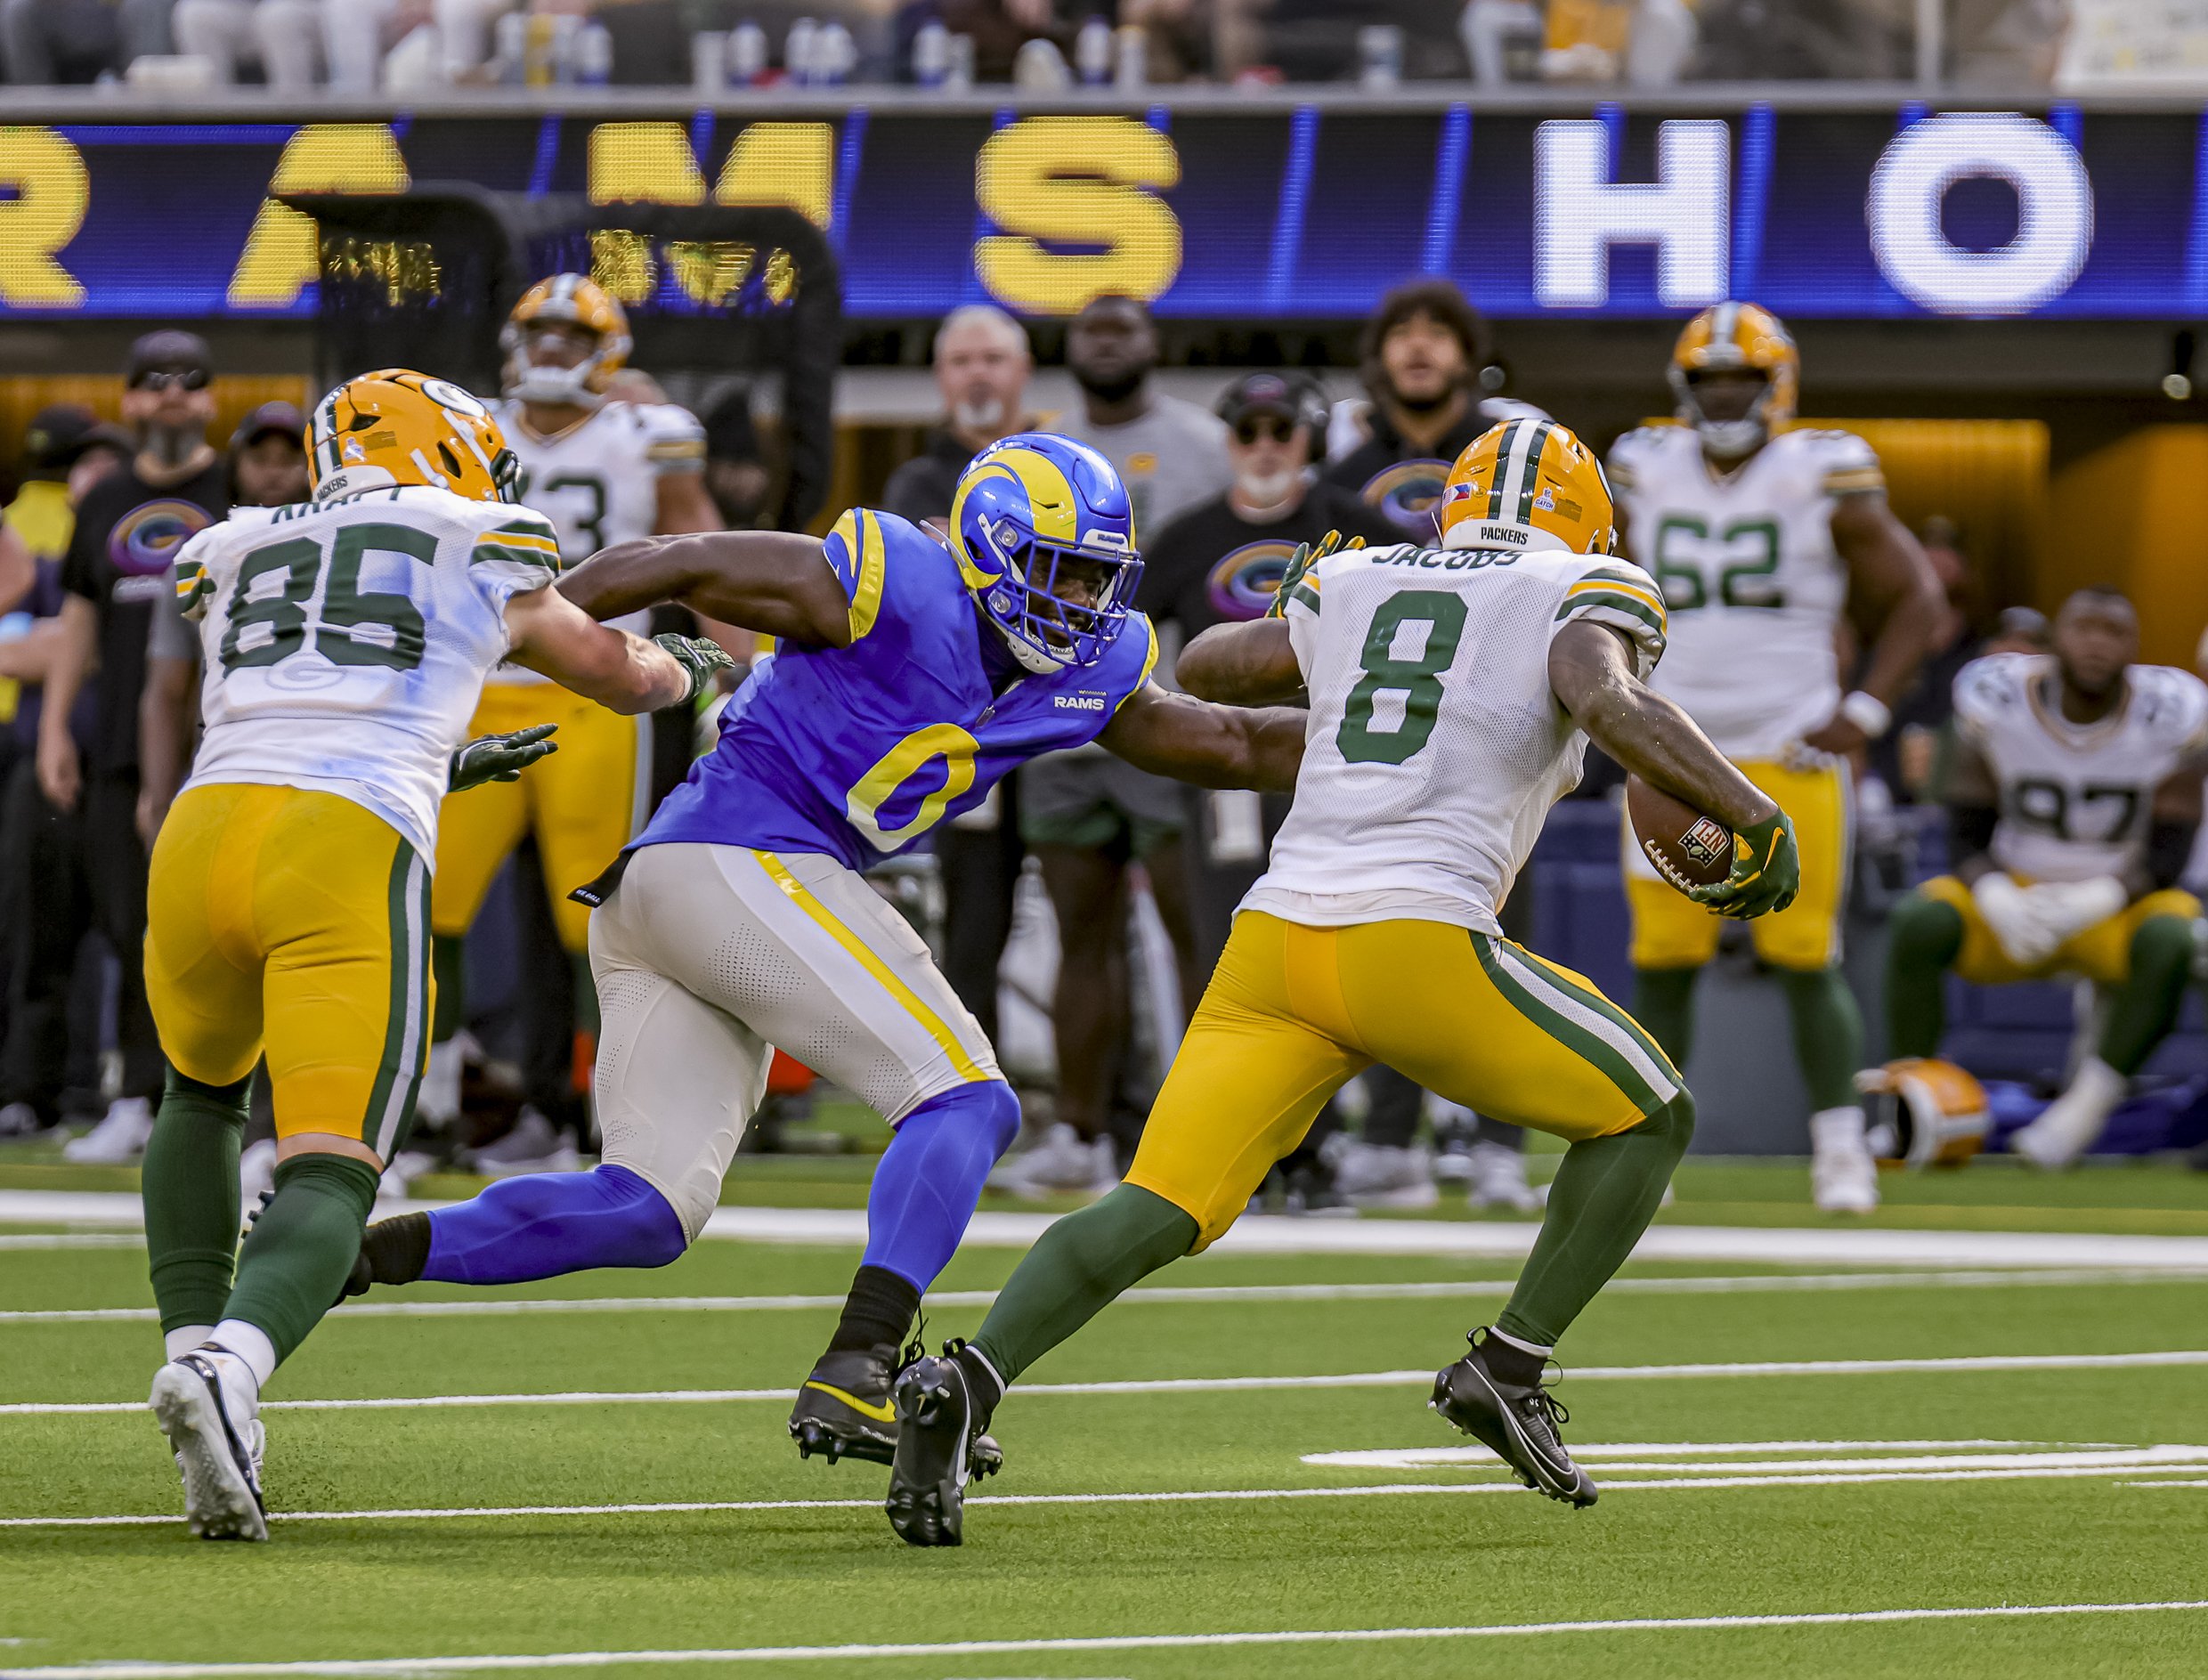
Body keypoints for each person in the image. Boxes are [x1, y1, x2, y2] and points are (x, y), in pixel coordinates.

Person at [881, 419, 1800, 1546]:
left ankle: (965, 1380)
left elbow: (1210, 670)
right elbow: (1597, 693)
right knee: (1649, 1114)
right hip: (1412, 941)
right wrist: (1753, 811)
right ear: (1591, 525)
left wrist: (1310, 614)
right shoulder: (1581, 582)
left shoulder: (1362, 573)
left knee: (1156, 1202)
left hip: (1273, 945)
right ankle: (1508, 1367)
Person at [345, 434, 1306, 1481]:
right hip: (739, 855)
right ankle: (859, 1363)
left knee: (645, 1211)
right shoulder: (894, 581)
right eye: (1057, 570)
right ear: (988, 548)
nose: (1079, 601)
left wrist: (1381, 731)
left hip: (684, 894)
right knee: (965, 1100)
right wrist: (505, 643)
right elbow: (674, 558)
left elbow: (1231, 742)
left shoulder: (1085, 668)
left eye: (1094, 577)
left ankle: (344, 1252)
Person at [138, 369, 726, 1541]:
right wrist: (687, 667)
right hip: (340, 841)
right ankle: (231, 1368)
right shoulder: (476, 530)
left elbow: (298, 697)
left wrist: (440, 761)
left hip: (202, 833)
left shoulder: (230, 542)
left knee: (198, 1098)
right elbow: (609, 672)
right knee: (331, 1167)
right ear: (446, 447)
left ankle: (195, 1350)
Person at [1607, 302, 1941, 1214]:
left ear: (1777, 385)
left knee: (1804, 955)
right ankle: (1645, 1148)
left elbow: (1918, 598)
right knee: (1661, 960)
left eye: (1740, 379)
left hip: (1787, 744)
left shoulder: (1820, 467)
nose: (1723, 396)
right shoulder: (1642, 462)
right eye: (1707, 380)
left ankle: (1839, 1149)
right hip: (1667, 745)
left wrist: (1864, 710)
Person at [414, 275, 723, 1183]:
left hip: (596, 697)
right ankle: (427, 1109)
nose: (551, 351)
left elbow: (699, 547)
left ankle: (612, 1121)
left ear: (608, 350)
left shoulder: (648, 432)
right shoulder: (466, 426)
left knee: (596, 922)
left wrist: (739, 664)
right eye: (539, 333)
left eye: (572, 336)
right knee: (430, 907)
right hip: (478, 689)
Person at [1323, 279, 1550, 1208]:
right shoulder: (1345, 461)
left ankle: (1497, 1137)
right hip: (1390, 717)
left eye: (1437, 333)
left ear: (1469, 351)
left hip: (1499, 717)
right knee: (1385, 928)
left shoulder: (1517, 446)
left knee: (1501, 937)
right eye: (1402, 332)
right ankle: (1388, 1137)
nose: (1419, 348)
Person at [1003, 293, 1231, 1196]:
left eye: (1121, 328)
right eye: (1089, 329)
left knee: (1198, 931)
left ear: (1153, 342)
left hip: (1163, 712)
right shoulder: (1036, 449)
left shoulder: (1205, 445)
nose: (1105, 342)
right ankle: (1081, 1131)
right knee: (1079, 937)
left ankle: (1211, 1127)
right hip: (1058, 719)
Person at [1884, 590, 2206, 1171]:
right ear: (2057, 638)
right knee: (1920, 920)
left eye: (2114, 632)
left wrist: (2099, 897)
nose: (2097, 644)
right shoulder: (1998, 696)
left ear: (2136, 648)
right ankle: (1911, 1102)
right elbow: (1966, 828)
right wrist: (1995, 893)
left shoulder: (2170, 711)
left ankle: (2080, 1114)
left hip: (2116, 904)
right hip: (2016, 894)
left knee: (2174, 935)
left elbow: (2170, 848)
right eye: (2085, 627)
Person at [45, 332, 231, 1166]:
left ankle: (211, 1100)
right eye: (154, 381)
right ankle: (136, 1095)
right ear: (128, 401)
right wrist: (57, 726)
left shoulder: (238, 491)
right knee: (131, 926)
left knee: (210, 930)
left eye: (190, 380)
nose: (172, 394)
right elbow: (78, 618)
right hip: (122, 741)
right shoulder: (103, 498)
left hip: (224, 745)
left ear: (210, 399)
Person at [882, 304, 1037, 1044]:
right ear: (941, 377)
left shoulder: (1058, 467)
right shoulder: (916, 482)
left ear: (1023, 372)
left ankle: (1108, 1101)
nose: (979, 375)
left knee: (1094, 915)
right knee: (972, 922)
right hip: (969, 721)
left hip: (1063, 714)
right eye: (963, 361)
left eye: (993, 359)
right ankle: (976, 1080)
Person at [0, 411, 130, 1140]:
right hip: (42, 771)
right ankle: (29, 1090)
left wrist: (62, 643)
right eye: (86, 466)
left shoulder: (157, 567)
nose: (95, 478)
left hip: (126, 772)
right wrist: (80, 643)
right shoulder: (47, 567)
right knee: (33, 938)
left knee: (135, 938)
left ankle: (128, 1093)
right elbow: (7, 649)